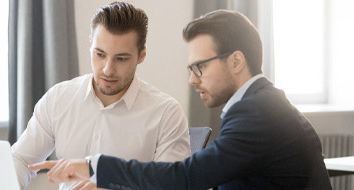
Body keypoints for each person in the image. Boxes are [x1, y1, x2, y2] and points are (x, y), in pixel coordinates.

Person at [30, 9, 333, 190]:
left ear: (237, 61)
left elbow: (186, 177)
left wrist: (94, 166)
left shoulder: (258, 112)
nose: (192, 79)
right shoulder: (261, 104)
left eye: (200, 67)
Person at [12, 2, 191, 189]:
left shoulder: (167, 114)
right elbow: (22, 160)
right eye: (100, 54)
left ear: (141, 55)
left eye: (121, 58)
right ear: (90, 46)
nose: (108, 69)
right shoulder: (59, 98)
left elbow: (172, 186)